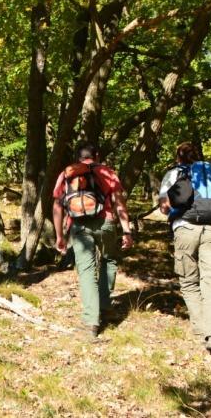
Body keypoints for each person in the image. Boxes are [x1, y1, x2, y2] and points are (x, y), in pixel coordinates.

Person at [159, 142, 211, 356]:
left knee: (188, 280)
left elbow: (164, 207)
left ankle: (201, 327)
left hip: (184, 229)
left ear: (178, 157)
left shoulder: (173, 174)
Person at [52, 142, 133, 339]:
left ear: (78, 156)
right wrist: (126, 230)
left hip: (79, 225)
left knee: (87, 271)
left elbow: (57, 206)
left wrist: (60, 236)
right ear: (96, 155)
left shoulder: (67, 173)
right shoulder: (107, 172)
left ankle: (90, 323)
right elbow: (119, 202)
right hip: (105, 221)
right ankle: (105, 307)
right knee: (109, 260)